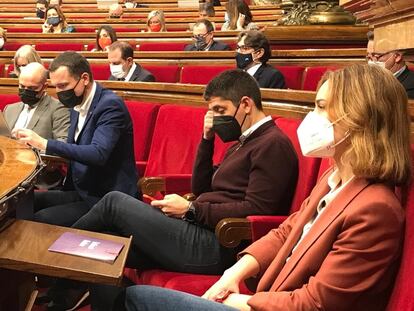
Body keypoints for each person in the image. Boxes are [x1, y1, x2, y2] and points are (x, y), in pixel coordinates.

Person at [124, 63, 411, 311]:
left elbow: (316, 303)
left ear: (357, 118)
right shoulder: (333, 179)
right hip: (268, 291)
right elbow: (288, 229)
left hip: (270, 303)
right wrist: (235, 272)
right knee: (124, 258)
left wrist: (243, 302)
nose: (312, 117)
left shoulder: (375, 209)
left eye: (321, 107)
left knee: (136, 298)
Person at [42, 69, 298, 310]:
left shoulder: (272, 144)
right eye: (212, 111)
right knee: (105, 243)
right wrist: (207, 139)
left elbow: (258, 209)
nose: (216, 117)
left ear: (245, 104)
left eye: (221, 110)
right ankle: (74, 289)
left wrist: (191, 210)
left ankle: (46, 265)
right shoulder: (243, 142)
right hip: (199, 230)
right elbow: (202, 187)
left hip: (218, 245)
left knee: (114, 202)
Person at [13, 51, 139, 227]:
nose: (59, 92)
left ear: (84, 79)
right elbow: (74, 149)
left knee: (43, 219)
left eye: (63, 86)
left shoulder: (110, 105)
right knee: (21, 202)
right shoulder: (76, 104)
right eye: (56, 87)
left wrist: (45, 143)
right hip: (81, 189)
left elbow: (98, 153)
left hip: (105, 196)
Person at [5, 63, 69, 143]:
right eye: (22, 86)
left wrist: (37, 144)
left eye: (31, 88)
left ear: (45, 87)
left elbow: (63, 143)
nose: (25, 91)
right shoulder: (9, 109)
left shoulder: (58, 109)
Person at [366, 30, 414, 99]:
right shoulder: (366, 82)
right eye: (369, 56)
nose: (371, 61)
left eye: (376, 56)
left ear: (397, 56)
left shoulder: (410, 89)